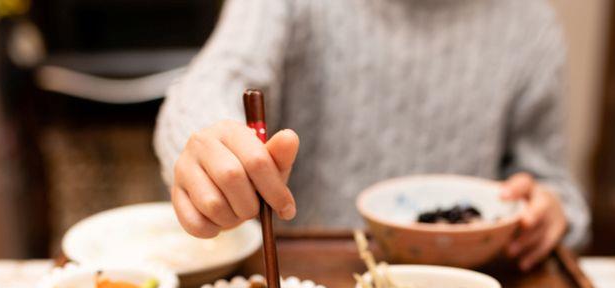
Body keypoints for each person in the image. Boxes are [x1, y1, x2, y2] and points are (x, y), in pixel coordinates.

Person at [154, 0, 589, 271]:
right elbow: (214, 77)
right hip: (300, 280)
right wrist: (207, 142)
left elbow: (550, 183)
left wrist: (548, 210)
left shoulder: (531, 22)